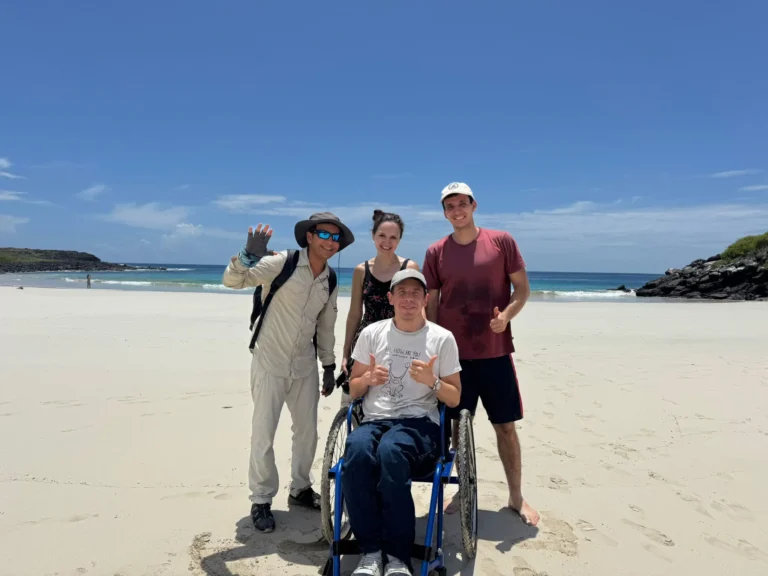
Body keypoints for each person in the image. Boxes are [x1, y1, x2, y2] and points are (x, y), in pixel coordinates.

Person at [222, 212, 355, 533]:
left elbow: (326, 325)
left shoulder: (330, 279)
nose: (330, 242)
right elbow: (233, 280)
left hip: (305, 365)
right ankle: (261, 498)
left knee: (308, 431)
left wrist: (328, 365)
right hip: (270, 361)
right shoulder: (282, 263)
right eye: (324, 235)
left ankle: (300, 488)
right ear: (309, 236)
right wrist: (247, 256)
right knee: (263, 432)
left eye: (336, 238)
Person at [422, 182, 539, 526]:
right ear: (444, 213)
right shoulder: (436, 251)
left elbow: (523, 290)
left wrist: (505, 317)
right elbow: (431, 300)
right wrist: (431, 340)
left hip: (495, 353)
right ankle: (463, 489)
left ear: (474, 205)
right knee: (458, 427)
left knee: (505, 427)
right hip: (454, 357)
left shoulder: (501, 241)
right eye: (449, 206)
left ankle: (516, 497)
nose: (456, 210)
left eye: (462, 203)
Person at [342, 269, 462, 576]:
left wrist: (432, 381)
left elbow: (454, 398)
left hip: (420, 424)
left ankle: (397, 556)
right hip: (375, 420)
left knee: (391, 451)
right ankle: (370, 551)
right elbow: (354, 388)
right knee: (355, 450)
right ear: (390, 298)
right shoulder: (372, 334)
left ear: (425, 299)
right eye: (402, 292)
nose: (408, 299)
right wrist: (366, 379)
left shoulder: (441, 338)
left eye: (415, 293)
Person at [339, 209, 420, 405]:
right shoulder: (361, 270)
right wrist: (345, 352)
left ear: (399, 240)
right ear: (373, 237)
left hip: (400, 339)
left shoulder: (409, 268)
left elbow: (418, 309)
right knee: (354, 396)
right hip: (367, 340)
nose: (387, 242)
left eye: (393, 237)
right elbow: (354, 314)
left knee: (394, 396)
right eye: (382, 236)